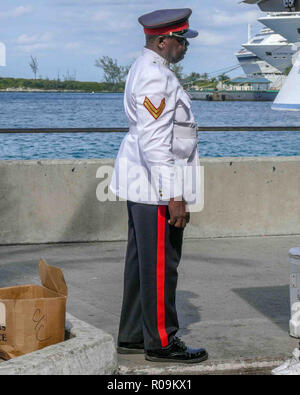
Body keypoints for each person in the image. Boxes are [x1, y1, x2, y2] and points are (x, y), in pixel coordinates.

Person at [110, 8, 208, 364]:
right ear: (163, 40)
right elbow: (155, 141)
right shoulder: (155, 77)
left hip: (144, 184)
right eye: (181, 40)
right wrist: (175, 194)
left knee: (141, 265)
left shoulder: (148, 69)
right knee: (161, 266)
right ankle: (162, 343)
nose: (185, 47)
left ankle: (134, 335)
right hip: (155, 189)